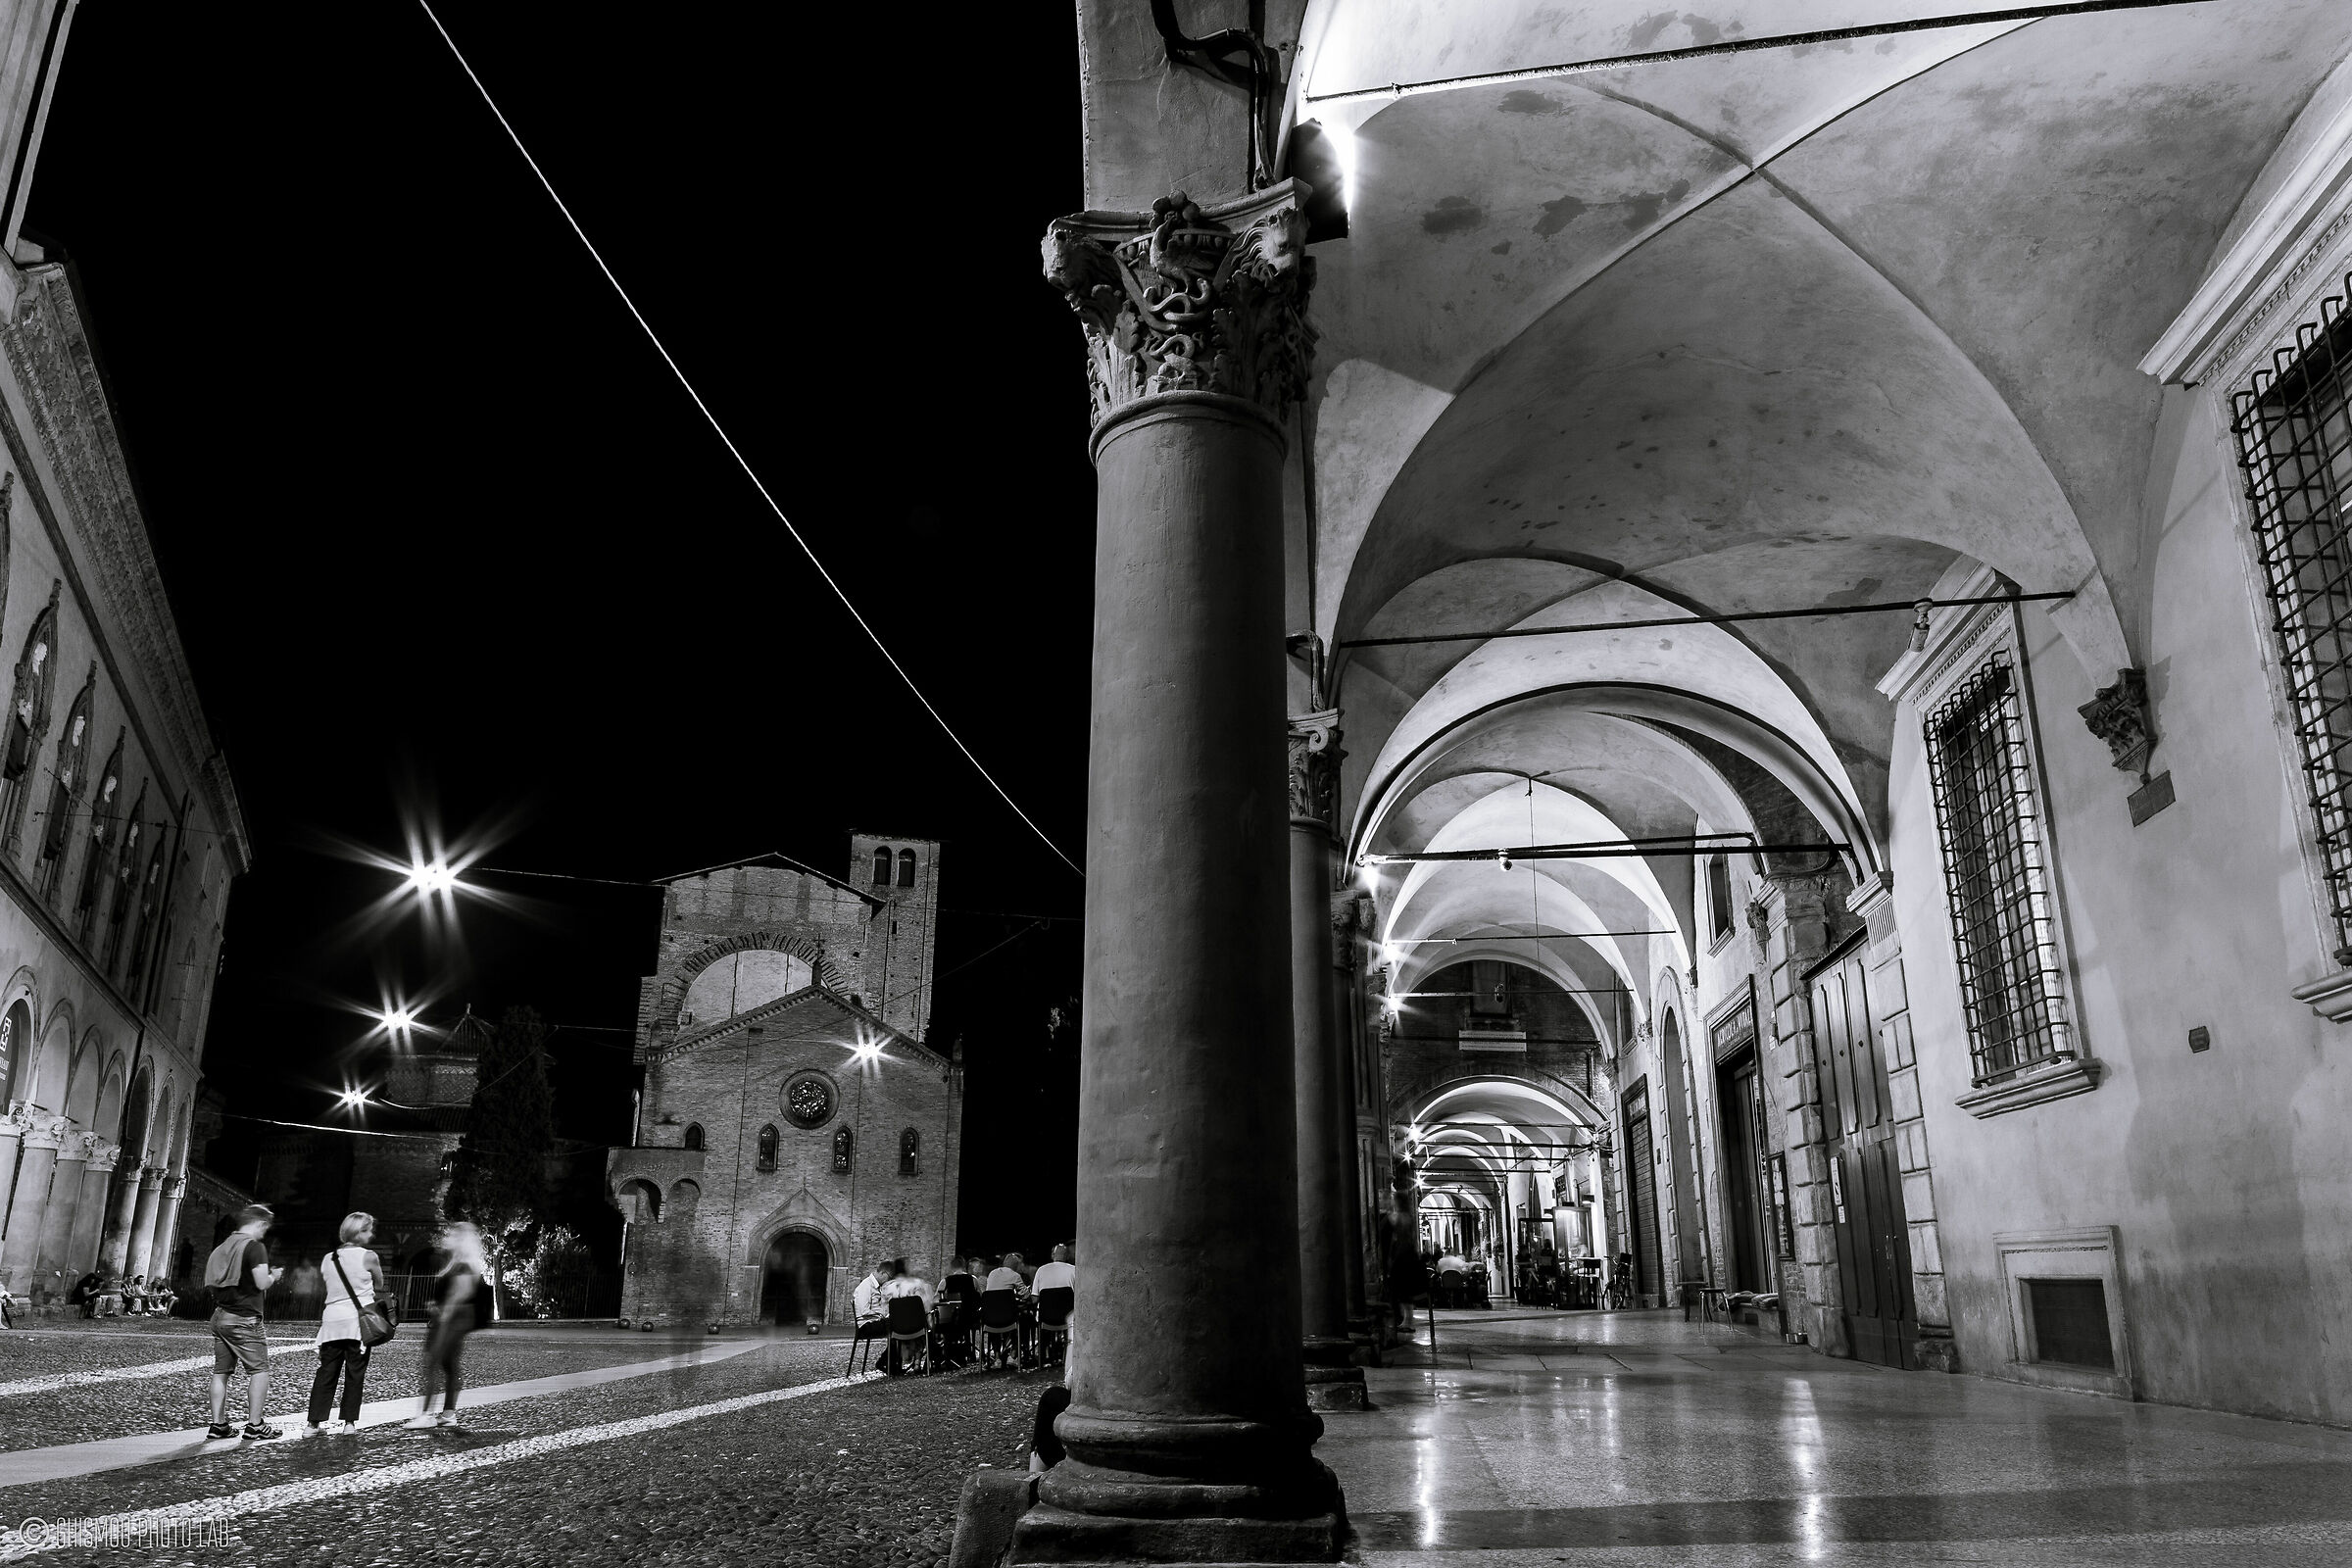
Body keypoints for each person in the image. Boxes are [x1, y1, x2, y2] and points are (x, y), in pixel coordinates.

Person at [204, 1204, 282, 1441]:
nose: (264, 1234)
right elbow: (261, 1282)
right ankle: (255, 1425)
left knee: (221, 1372)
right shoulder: (255, 1247)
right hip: (244, 1318)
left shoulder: (222, 1247)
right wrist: (273, 1276)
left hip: (220, 1316)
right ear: (259, 1223)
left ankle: (218, 1426)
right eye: (265, 1228)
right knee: (259, 1371)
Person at [308, 1211, 386, 1436]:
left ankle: (313, 1424)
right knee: (355, 1372)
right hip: (358, 1322)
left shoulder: (328, 1258)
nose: (371, 1234)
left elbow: (330, 1284)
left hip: (332, 1320)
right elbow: (379, 1284)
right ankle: (349, 1423)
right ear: (359, 1232)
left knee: (326, 1372)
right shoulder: (369, 1256)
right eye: (368, 1230)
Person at [408, 1221, 486, 1429]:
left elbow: (462, 1292)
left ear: (462, 1240)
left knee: (432, 1362)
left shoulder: (463, 1264)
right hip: (455, 1316)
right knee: (448, 1365)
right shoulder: (456, 1262)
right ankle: (449, 1414)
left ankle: (426, 1414)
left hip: (453, 1318)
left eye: (453, 1234)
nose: (448, 1236)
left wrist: (445, 1311)